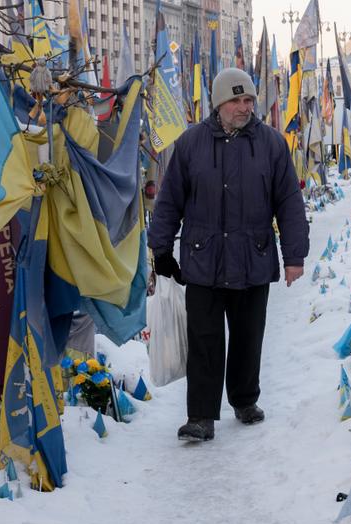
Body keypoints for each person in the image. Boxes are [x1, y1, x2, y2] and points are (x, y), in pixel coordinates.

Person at [147, 68, 309, 442]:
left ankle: (244, 399)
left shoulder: (272, 144)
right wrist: (161, 248)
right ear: (219, 103)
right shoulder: (190, 145)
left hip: (253, 257)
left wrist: (294, 255)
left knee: (248, 336)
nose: (244, 106)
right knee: (204, 340)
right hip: (203, 262)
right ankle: (201, 416)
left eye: (248, 99)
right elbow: (170, 200)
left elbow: (289, 202)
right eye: (236, 100)